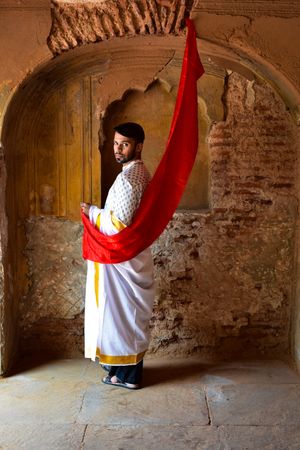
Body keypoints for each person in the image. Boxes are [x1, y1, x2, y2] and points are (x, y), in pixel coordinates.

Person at [81, 122, 154, 390]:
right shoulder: (140, 172)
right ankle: (119, 373)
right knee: (125, 316)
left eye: (124, 143)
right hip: (131, 257)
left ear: (139, 146)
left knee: (121, 316)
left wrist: (91, 212)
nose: (118, 148)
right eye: (115, 143)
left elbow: (118, 224)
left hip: (123, 260)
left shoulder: (128, 178)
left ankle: (127, 376)